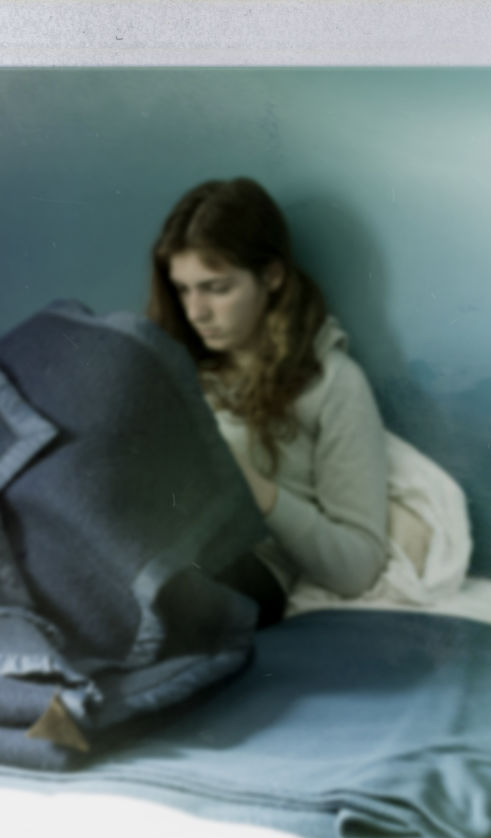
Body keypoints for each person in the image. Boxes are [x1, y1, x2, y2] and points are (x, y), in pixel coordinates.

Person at [147, 177, 389, 627]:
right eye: (183, 289)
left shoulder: (335, 384)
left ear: (272, 276)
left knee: (161, 594)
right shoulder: (172, 363)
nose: (196, 311)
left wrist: (256, 488)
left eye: (217, 288)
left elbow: (359, 566)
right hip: (142, 537)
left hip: (241, 567)